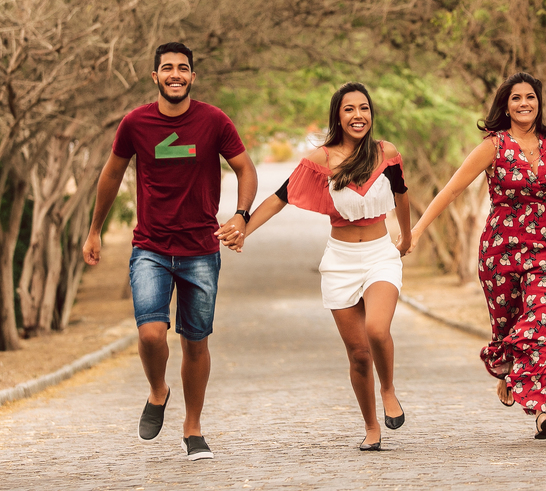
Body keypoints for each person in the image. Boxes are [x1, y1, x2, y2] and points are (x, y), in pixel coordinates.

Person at [82, 41, 258, 462]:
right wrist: (94, 230)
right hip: (151, 248)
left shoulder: (214, 121)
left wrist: (240, 215)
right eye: (167, 68)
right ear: (155, 76)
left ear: (192, 76)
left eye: (183, 68)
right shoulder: (135, 123)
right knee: (150, 333)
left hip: (200, 249)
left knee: (195, 342)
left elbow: (245, 169)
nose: (175, 74)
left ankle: (193, 428)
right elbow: (110, 174)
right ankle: (158, 389)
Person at [217, 82, 411, 452]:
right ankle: (371, 427)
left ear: (372, 113)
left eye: (364, 108)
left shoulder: (386, 153)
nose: (358, 115)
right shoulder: (322, 159)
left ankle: (387, 388)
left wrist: (407, 237)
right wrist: (244, 228)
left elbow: (401, 193)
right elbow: (280, 199)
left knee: (376, 329)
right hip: (339, 261)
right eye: (349, 109)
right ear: (338, 116)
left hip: (379, 255)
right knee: (357, 354)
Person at [404, 72, 546, 440]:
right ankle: (506, 363)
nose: (524, 104)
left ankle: (540, 411)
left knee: (540, 324)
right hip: (499, 252)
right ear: (505, 106)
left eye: (530, 97)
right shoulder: (493, 146)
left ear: (539, 103)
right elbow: (452, 190)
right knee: (509, 327)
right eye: (516, 98)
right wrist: (417, 230)